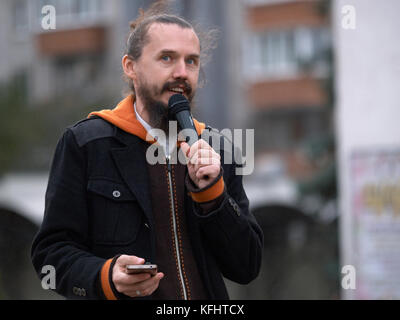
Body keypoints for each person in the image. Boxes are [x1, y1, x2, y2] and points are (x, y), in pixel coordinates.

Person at [31, 4, 263, 300]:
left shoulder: (218, 150)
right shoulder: (87, 144)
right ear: (131, 67)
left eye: (191, 61)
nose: (182, 72)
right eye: (167, 58)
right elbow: (51, 255)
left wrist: (213, 195)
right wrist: (106, 276)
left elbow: (246, 267)